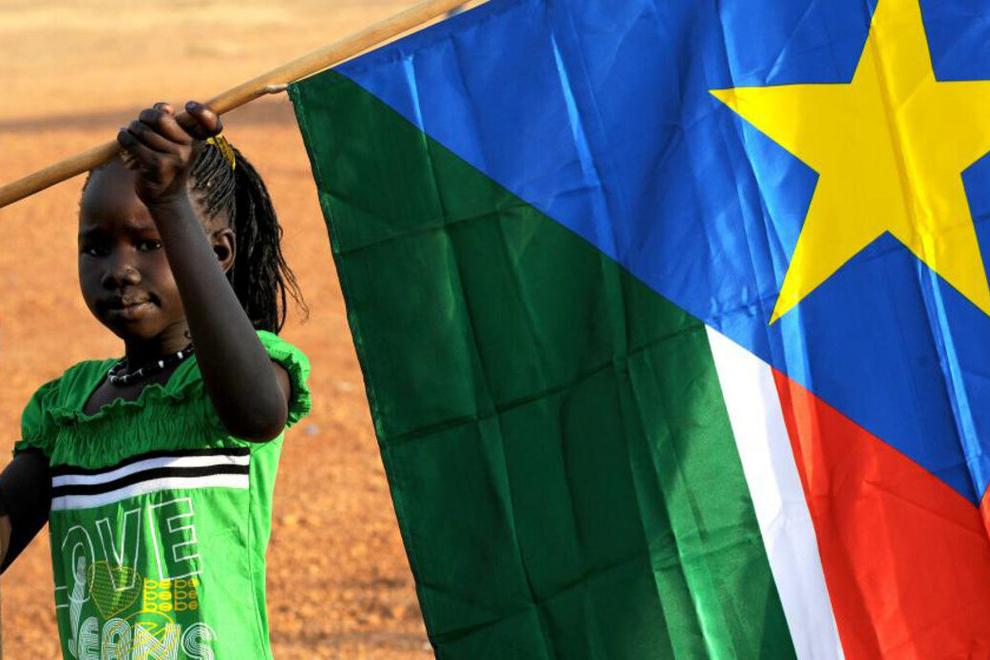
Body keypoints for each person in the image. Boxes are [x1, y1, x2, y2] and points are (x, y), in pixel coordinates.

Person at [0, 101, 310, 658]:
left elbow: (259, 414)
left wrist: (170, 201)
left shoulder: (237, 378)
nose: (119, 270)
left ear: (217, 252)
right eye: (96, 246)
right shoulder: (68, 409)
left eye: (150, 243)